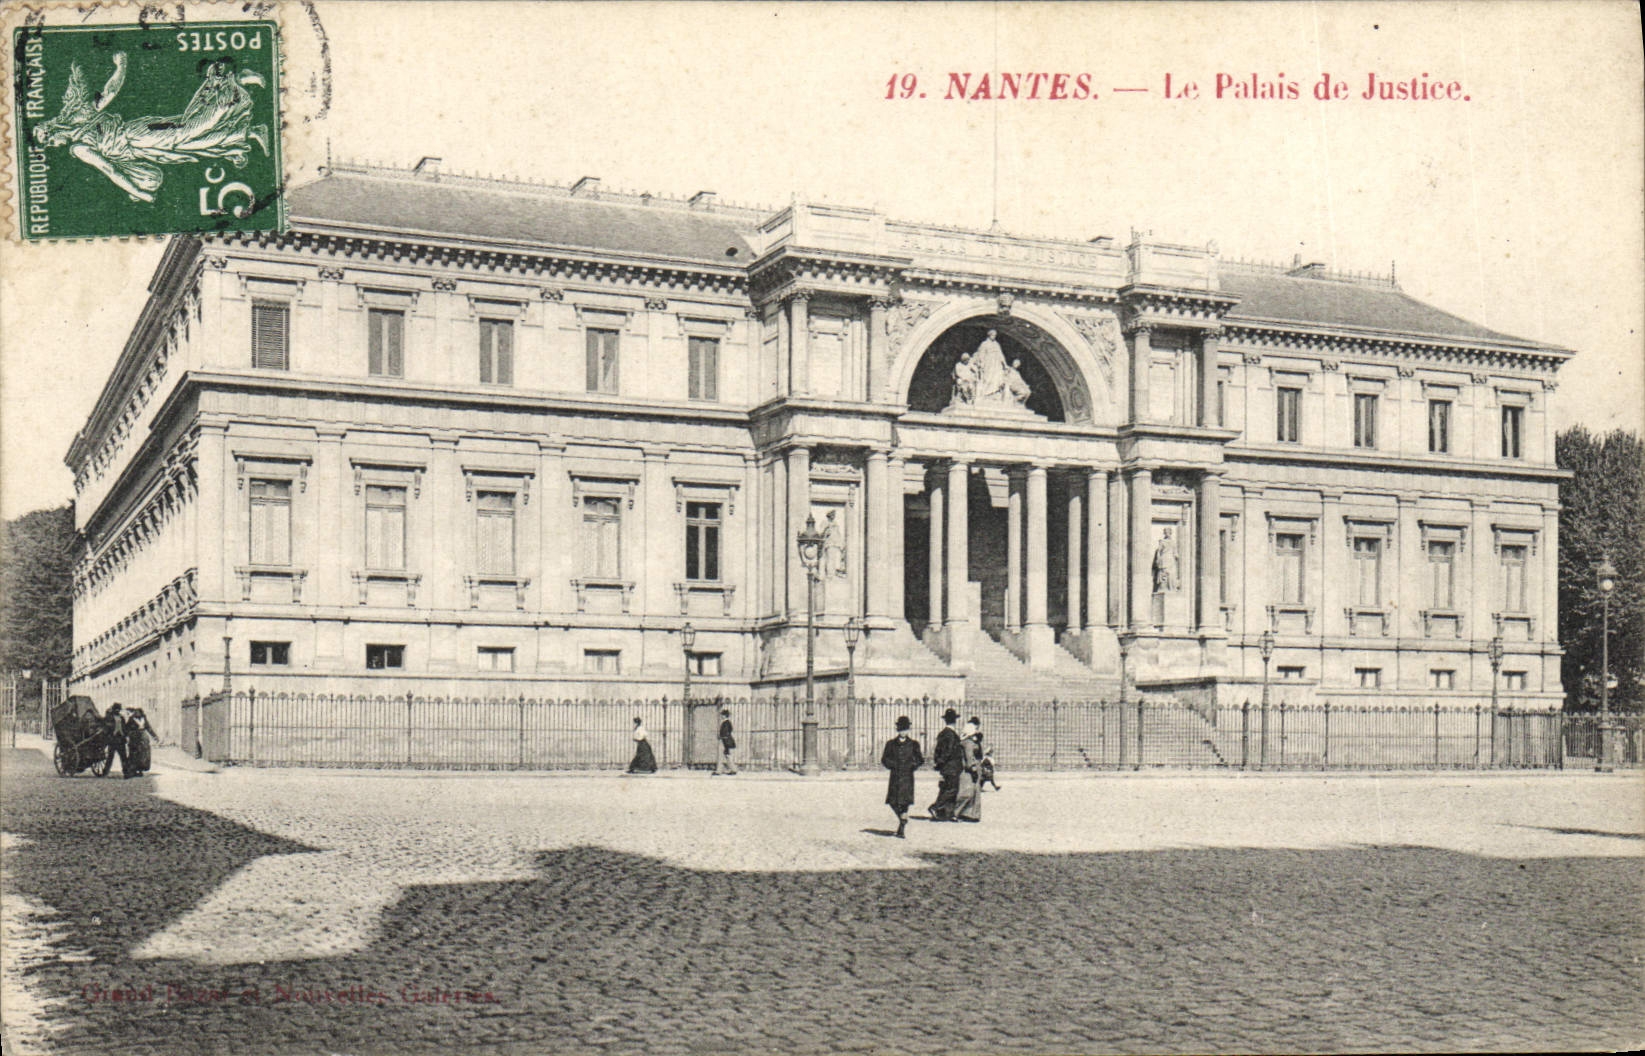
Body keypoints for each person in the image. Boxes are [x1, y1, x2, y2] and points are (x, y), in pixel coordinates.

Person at [34, 54, 270, 204]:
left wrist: (142, 194)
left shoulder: (78, 147)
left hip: (138, 137)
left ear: (54, 130)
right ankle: (249, 131)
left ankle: (233, 83)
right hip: (139, 142)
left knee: (189, 130)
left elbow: (110, 170)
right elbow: (109, 93)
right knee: (190, 141)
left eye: (49, 141)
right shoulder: (80, 118)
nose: (54, 145)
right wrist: (121, 66)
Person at [880, 716, 924, 838]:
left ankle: (902, 827)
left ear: (908, 730)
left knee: (905, 802)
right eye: (901, 729)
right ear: (897, 729)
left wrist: (912, 766)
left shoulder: (914, 744)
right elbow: (884, 759)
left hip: (907, 777)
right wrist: (893, 765)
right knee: (892, 801)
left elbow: (920, 759)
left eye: (905, 729)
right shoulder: (891, 744)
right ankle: (902, 818)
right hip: (895, 776)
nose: (903, 731)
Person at [927, 708, 963, 821]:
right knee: (952, 789)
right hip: (952, 766)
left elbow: (938, 750)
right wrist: (943, 761)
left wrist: (938, 763)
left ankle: (948, 814)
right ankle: (935, 807)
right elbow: (949, 751)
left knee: (945, 788)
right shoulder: (951, 734)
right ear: (955, 721)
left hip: (946, 766)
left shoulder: (942, 733)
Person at [954, 718, 985, 822]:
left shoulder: (969, 741)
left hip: (974, 767)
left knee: (974, 791)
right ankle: (958, 812)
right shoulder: (968, 743)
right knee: (968, 792)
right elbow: (969, 756)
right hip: (970, 769)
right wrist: (973, 767)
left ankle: (971, 814)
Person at [121, 707, 156, 778]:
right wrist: (127, 735)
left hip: (142, 739)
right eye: (136, 713)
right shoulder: (132, 719)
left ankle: (139, 770)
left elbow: (148, 728)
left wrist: (155, 736)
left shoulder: (142, 719)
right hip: (135, 738)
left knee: (142, 755)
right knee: (134, 755)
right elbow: (127, 728)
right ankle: (133, 770)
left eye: (138, 713)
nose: (137, 714)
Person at [102, 703, 127, 777]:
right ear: (113, 709)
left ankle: (126, 772)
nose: (117, 710)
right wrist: (109, 736)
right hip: (113, 739)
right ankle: (105, 772)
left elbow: (124, 727)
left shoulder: (122, 717)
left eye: (118, 709)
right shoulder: (109, 717)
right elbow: (106, 727)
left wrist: (125, 735)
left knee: (123, 757)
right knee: (110, 757)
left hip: (120, 739)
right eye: (116, 709)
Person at [714, 708, 738, 775]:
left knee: (721, 756)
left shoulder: (725, 723)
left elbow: (725, 733)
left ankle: (719, 771)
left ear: (724, 715)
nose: (721, 716)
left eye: (722, 715)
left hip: (724, 741)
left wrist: (720, 737)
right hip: (726, 741)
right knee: (728, 756)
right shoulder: (728, 723)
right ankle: (733, 769)